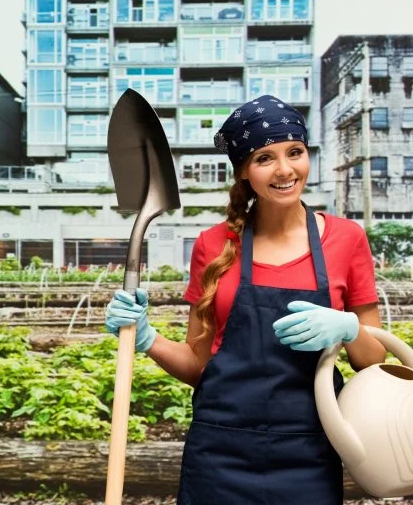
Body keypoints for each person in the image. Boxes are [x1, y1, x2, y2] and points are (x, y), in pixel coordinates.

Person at [104, 95, 386, 504]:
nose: (285, 170)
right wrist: (147, 338)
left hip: (309, 450)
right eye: (264, 158)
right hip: (219, 453)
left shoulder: (347, 239)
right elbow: (199, 365)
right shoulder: (212, 246)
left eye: (295, 152)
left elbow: (373, 359)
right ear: (243, 173)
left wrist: (349, 328)